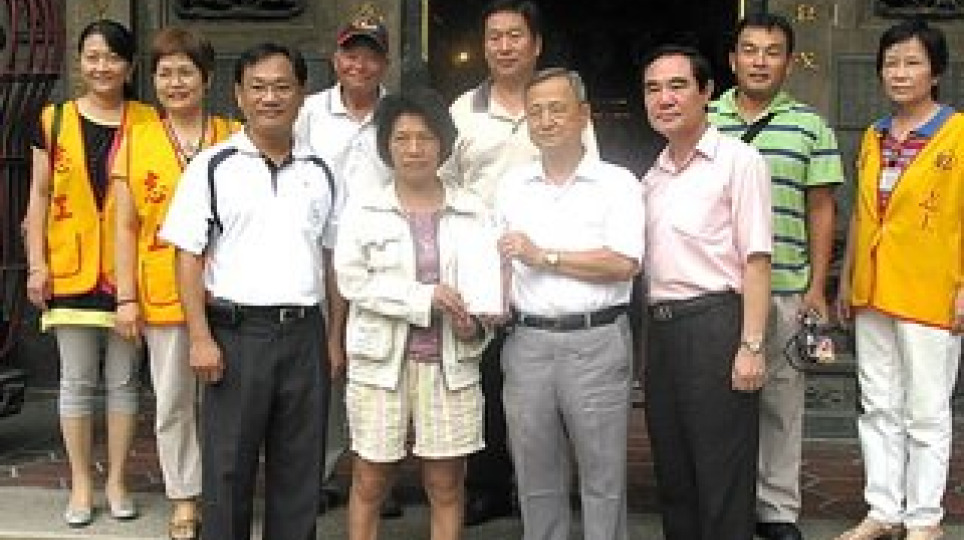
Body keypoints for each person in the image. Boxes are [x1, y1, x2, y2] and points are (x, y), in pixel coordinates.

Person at [159, 42, 338, 540]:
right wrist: (200, 337)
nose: (270, 97)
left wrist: (333, 339)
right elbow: (187, 256)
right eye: (257, 87)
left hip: (304, 334)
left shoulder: (321, 170)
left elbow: (332, 260)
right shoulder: (213, 166)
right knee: (227, 469)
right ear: (238, 95)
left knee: (300, 471)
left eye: (282, 87)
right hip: (236, 337)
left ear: (302, 94)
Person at [441, 1, 597, 524]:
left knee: (554, 387)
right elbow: (447, 183)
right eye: (494, 37)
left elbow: (589, 174)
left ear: (536, 44)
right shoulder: (462, 110)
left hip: (550, 268)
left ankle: (556, 489)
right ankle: (488, 486)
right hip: (483, 269)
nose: (504, 47)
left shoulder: (560, 104)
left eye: (515, 36)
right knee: (485, 379)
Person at [707, 13, 845, 540]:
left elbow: (822, 209)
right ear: (732, 59)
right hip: (718, 290)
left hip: (786, 287)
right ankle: (727, 502)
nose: (759, 61)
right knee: (718, 402)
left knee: (781, 403)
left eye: (772, 52)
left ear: (789, 62)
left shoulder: (811, 126)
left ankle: (777, 510)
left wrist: (817, 287)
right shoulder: (704, 118)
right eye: (749, 50)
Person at [334, 88, 491, 540]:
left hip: (450, 365)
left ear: (443, 143)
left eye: (425, 137)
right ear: (387, 146)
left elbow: (484, 291)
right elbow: (352, 280)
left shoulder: (473, 210)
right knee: (370, 479)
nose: (414, 148)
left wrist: (474, 325)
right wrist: (423, 299)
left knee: (446, 484)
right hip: (381, 364)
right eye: (402, 138)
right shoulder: (365, 208)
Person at [495, 68, 644, 540]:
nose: (546, 120)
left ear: (584, 115)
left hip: (595, 340)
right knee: (534, 473)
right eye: (535, 111)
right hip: (527, 341)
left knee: (602, 474)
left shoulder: (617, 183)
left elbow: (624, 263)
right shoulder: (512, 185)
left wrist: (546, 257)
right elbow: (501, 261)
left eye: (557, 109)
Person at [22, 19, 158, 528]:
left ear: (131, 66)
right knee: (76, 380)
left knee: (124, 380)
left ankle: (118, 480)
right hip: (69, 267)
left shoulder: (148, 120)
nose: (102, 67)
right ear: (79, 63)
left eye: (113, 57)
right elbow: (38, 195)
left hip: (129, 273)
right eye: (92, 57)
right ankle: (81, 482)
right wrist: (37, 264)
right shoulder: (52, 118)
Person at [834, 19, 963, 540]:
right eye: (891, 63)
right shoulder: (875, 136)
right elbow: (862, 216)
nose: (900, 73)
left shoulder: (958, 134)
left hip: (931, 289)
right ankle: (883, 511)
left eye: (912, 62)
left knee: (926, 409)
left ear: (936, 72)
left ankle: (925, 518)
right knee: (878, 404)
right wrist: (846, 280)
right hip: (873, 290)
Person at [640, 45, 772, 540]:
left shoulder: (739, 162)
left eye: (677, 86)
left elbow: (757, 259)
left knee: (721, 472)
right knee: (674, 470)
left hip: (717, 325)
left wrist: (751, 345)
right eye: (653, 89)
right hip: (662, 332)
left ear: (707, 92)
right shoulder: (652, 177)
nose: (664, 99)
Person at [112, 27, 239, 540]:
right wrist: (125, 296)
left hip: (229, 291)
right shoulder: (137, 139)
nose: (175, 82)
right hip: (161, 290)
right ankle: (184, 497)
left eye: (186, 71)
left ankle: (223, 492)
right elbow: (124, 225)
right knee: (172, 401)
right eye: (165, 73)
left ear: (207, 78)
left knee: (228, 402)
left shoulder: (235, 134)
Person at [293, 6, 401, 517]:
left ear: (385, 63)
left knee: (381, 370)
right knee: (324, 369)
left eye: (370, 55)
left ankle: (376, 481)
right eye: (350, 54)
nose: (359, 64)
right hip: (318, 257)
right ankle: (316, 474)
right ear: (335, 58)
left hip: (384, 262)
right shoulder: (309, 113)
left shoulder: (398, 115)